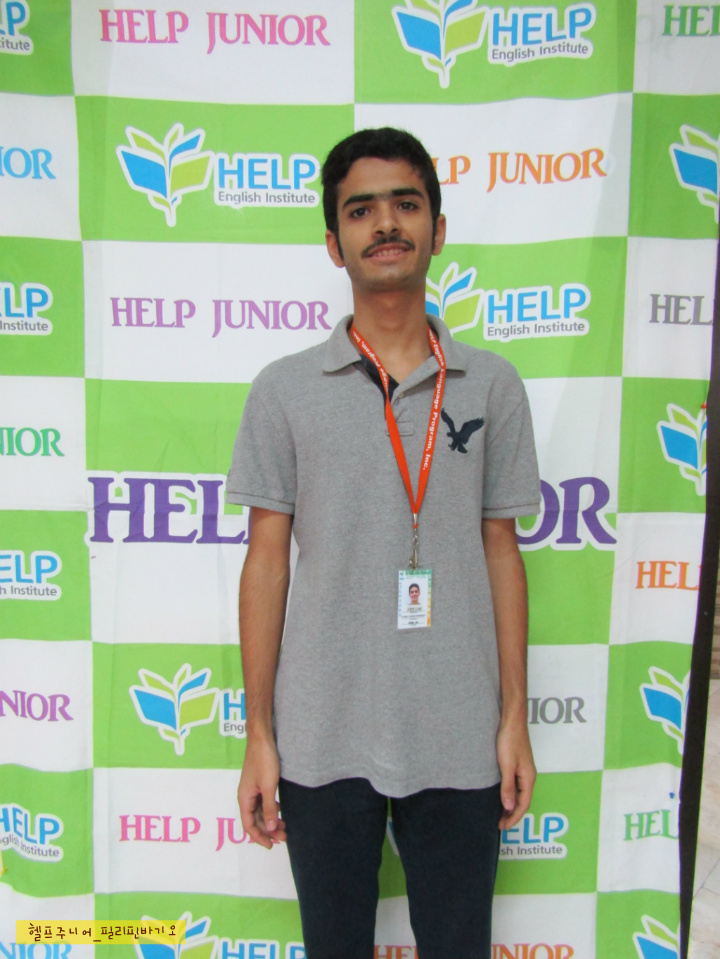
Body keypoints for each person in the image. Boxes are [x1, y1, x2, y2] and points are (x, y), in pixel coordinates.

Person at [227, 127, 541, 959]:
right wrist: (260, 734)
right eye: (361, 210)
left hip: (460, 727)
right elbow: (266, 562)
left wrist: (513, 718)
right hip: (322, 729)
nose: (386, 223)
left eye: (406, 203)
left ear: (438, 228)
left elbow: (502, 552)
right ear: (335, 243)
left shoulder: (493, 385)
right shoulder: (285, 389)